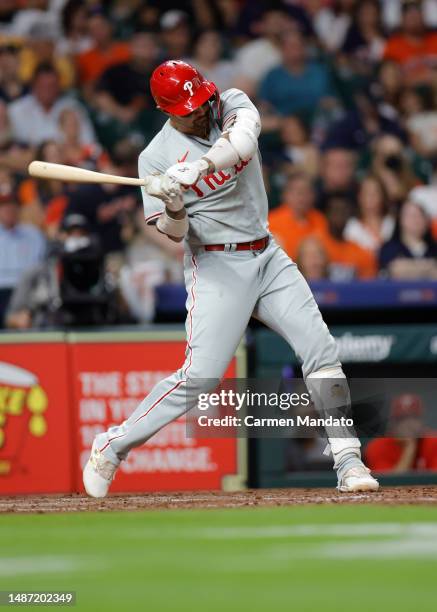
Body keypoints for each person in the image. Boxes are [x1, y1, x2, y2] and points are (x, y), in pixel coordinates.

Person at [83, 59, 379, 497]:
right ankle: (112, 445)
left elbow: (241, 143)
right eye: (188, 107)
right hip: (216, 263)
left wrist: (198, 169)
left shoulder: (230, 103)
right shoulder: (155, 157)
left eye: (200, 99)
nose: (200, 109)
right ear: (166, 110)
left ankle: (348, 460)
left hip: (267, 252)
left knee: (321, 349)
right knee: (199, 378)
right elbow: (175, 233)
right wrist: (175, 204)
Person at [7, 62, 96, 147]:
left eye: (52, 86)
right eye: (43, 86)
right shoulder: (16, 110)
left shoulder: (74, 108)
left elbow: (89, 142)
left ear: (59, 86)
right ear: (33, 85)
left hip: (69, 162)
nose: (48, 91)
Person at [258, 29, 338, 119]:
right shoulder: (272, 76)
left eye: (299, 46)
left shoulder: (320, 71)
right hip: (284, 121)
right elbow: (264, 105)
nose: (295, 50)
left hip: (319, 120)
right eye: (291, 46)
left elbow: (333, 100)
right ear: (282, 49)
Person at [0, 181, 46, 326]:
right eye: (4, 206)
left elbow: (39, 267)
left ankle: (14, 319)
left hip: (25, 290)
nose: (9, 209)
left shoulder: (33, 234)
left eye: (13, 205)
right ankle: (10, 319)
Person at [365, 394, 437, 472]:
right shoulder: (378, 446)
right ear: (393, 423)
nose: (408, 424)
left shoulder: (433, 442)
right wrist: (409, 448)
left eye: (413, 418)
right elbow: (390, 483)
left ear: (421, 421)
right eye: (402, 419)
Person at [316, 194, 377, 279]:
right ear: (327, 214)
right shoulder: (315, 246)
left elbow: (369, 286)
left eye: (343, 212)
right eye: (335, 211)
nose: (339, 216)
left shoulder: (360, 253)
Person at [268, 173, 327, 260]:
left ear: (313, 195)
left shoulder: (320, 220)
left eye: (306, 192)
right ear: (285, 195)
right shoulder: (271, 221)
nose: (302, 197)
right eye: (297, 192)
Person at [383, 0, 437, 86]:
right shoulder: (394, 45)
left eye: (417, 16)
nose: (414, 20)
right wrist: (422, 78)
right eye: (410, 16)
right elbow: (390, 78)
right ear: (402, 19)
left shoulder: (435, 39)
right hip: (407, 94)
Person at [379, 199, 437, 278]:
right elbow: (395, 270)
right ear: (400, 220)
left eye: (420, 215)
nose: (416, 220)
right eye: (411, 216)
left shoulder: (434, 248)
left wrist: (408, 267)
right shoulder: (389, 248)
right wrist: (430, 266)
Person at [344, 174, 395, 252]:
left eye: (375, 192)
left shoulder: (392, 223)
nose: (371, 197)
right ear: (359, 197)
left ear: (383, 196)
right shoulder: (352, 227)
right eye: (367, 192)